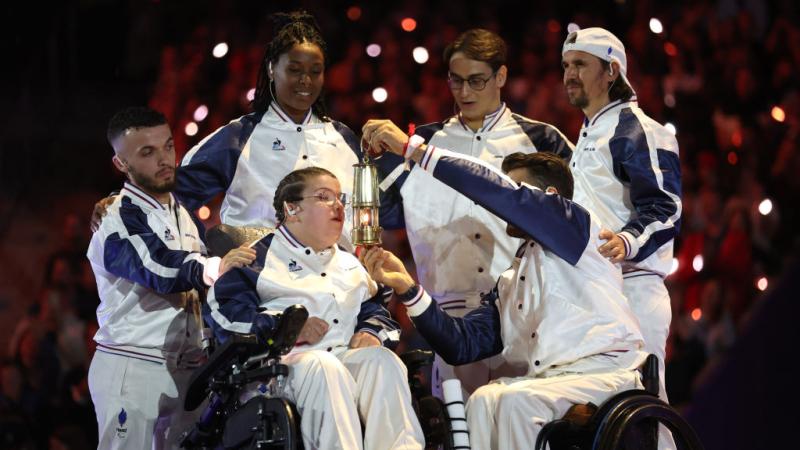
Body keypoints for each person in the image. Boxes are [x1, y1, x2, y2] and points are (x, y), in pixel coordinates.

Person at [358, 129, 645, 448]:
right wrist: (407, 287)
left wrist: (414, 150)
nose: (501, 205)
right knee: (484, 400)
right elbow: (462, 344)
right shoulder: (512, 277)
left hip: (606, 373)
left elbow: (500, 194)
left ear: (547, 197)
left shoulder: (577, 228)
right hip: (551, 383)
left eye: (515, 188)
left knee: (515, 403)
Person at [365, 28, 574, 397]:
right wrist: (372, 160)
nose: (464, 93)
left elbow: (571, 221)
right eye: (456, 81)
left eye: (476, 81)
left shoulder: (544, 140)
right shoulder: (419, 144)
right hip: (448, 318)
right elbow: (376, 212)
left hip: (524, 311)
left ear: (502, 77)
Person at [91, 11, 364, 251]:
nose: (305, 80)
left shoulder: (343, 139)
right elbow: (175, 190)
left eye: (315, 71)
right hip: (262, 292)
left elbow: (374, 210)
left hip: (338, 291)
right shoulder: (238, 138)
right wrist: (121, 201)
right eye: (294, 69)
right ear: (271, 69)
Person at [204, 166, 424, 450]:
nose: (338, 206)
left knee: (382, 361)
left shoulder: (351, 263)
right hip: (279, 368)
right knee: (324, 366)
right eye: (324, 197)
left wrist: (371, 332)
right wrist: (286, 327)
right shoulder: (256, 257)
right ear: (292, 208)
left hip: (343, 358)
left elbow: (375, 311)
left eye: (339, 198)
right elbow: (225, 315)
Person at [87, 107, 255, 449]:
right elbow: (158, 267)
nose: (164, 159)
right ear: (121, 164)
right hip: (132, 363)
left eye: (167, 146)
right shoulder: (116, 218)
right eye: (147, 153)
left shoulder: (182, 215)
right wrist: (214, 267)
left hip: (187, 368)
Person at [561, 27, 681, 412]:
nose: (569, 74)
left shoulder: (640, 130)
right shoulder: (586, 134)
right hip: (596, 294)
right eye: (565, 65)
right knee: (606, 415)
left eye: (580, 64)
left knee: (643, 412)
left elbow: (666, 208)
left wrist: (628, 240)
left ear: (612, 71)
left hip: (635, 291)